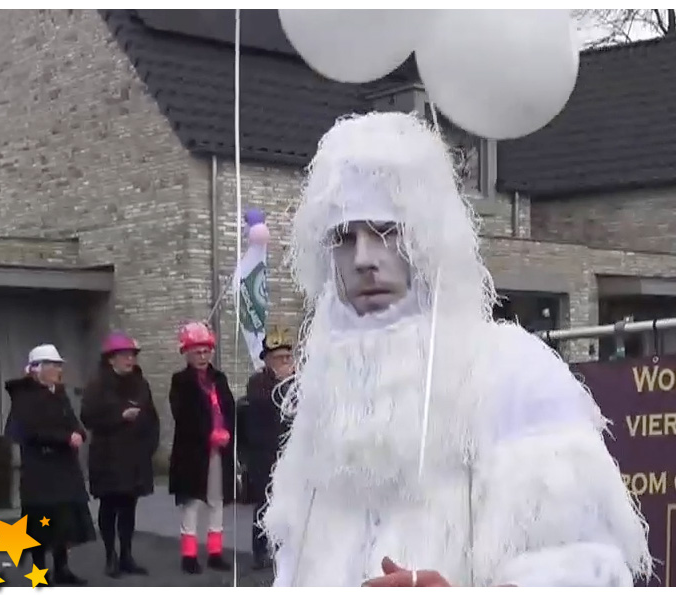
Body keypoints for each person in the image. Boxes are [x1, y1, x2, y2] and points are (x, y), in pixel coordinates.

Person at [260, 112, 653, 587]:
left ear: (428, 236)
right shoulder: (325, 390)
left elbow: (584, 566)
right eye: (344, 237)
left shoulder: (513, 371)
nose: (364, 258)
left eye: (386, 231)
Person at [4, 344, 95, 585]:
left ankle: (62, 569)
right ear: (37, 369)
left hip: (64, 469)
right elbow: (27, 431)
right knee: (40, 524)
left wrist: (79, 433)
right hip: (40, 471)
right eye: (53, 365)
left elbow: (71, 421)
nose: (58, 369)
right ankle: (39, 574)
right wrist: (64, 438)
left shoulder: (59, 393)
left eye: (59, 365)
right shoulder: (24, 396)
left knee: (63, 522)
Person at [81, 332, 160, 578]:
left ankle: (126, 555)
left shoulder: (140, 383)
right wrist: (119, 417)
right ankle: (110, 556)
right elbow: (89, 417)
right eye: (124, 355)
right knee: (110, 506)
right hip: (108, 457)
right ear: (110, 360)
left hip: (135, 457)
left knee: (129, 507)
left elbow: (151, 418)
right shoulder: (98, 385)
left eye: (132, 355)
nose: (129, 359)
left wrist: (149, 446)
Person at [168, 322, 235, 574]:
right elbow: (183, 415)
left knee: (216, 501)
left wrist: (227, 431)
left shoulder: (220, 379)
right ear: (186, 353)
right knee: (192, 502)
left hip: (220, 451)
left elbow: (229, 409)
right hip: (192, 452)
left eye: (206, 351)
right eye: (197, 351)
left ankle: (216, 552)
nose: (202, 356)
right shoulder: (180, 381)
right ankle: (189, 554)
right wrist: (208, 434)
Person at [238, 327, 295, 570]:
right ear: (267, 361)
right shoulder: (258, 383)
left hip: (290, 454)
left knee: (290, 504)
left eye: (287, 357)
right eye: (278, 359)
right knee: (263, 505)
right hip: (264, 455)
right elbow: (266, 406)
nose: (285, 363)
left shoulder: (297, 382)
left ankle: (286, 549)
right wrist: (284, 384)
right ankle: (260, 551)